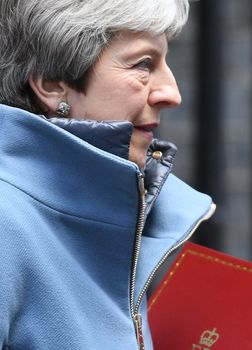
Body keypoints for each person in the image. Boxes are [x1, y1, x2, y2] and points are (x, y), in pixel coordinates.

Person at [0, 0, 215, 349]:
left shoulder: (111, 211)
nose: (171, 93)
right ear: (52, 83)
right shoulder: (6, 221)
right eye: (143, 64)